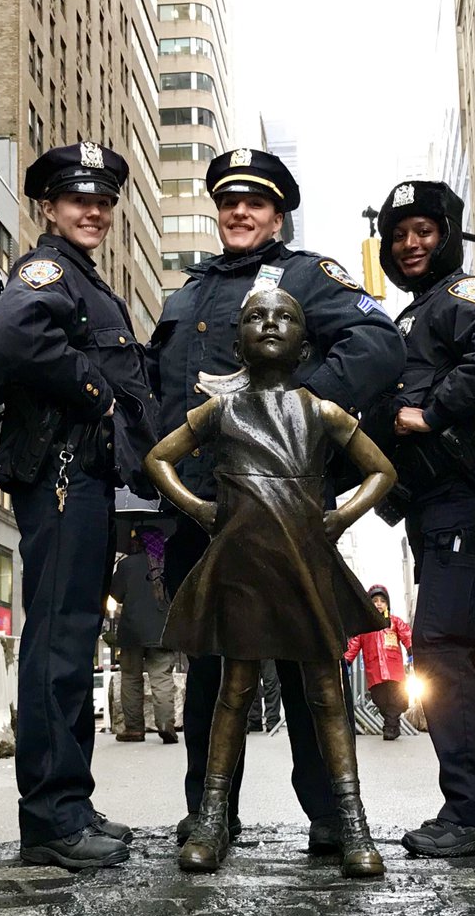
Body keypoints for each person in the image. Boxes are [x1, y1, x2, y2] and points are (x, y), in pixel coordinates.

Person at [146, 147, 406, 852]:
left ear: (278, 213)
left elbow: (378, 344)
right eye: (228, 202)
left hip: (287, 510)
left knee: (305, 665)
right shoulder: (189, 294)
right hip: (206, 513)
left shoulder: (302, 276)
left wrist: (301, 411)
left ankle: (329, 817)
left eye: (254, 203)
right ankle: (211, 814)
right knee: (212, 668)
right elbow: (164, 403)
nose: (239, 212)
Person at [0, 141, 160, 870]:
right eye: (76, 199)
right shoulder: (48, 271)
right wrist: (98, 390)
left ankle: (71, 802)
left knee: (73, 639)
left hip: (86, 476)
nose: (92, 210)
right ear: (48, 207)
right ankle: (50, 821)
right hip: (60, 471)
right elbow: (15, 333)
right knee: (57, 643)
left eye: (102, 201)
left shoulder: (92, 284)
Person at [370, 180, 475, 856]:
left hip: (462, 492)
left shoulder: (463, 297)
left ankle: (472, 814)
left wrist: (434, 412)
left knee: (440, 648)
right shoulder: (415, 314)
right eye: (399, 236)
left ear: (447, 233)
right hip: (435, 506)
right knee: (467, 651)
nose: (410, 245)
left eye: (423, 232)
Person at [109, 527, 178, 742]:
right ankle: (166, 724)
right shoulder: (171, 564)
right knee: (162, 679)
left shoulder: (127, 564)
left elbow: (115, 595)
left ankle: (134, 729)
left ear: (137, 542)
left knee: (131, 679)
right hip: (162, 630)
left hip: (132, 632)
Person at [344, 585, 413, 740]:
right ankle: (393, 724)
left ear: (387, 604)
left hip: (394, 670)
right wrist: (346, 661)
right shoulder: (363, 627)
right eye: (375, 601)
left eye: (382, 601)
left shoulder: (395, 622)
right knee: (380, 699)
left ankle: (390, 727)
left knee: (396, 699)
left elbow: (407, 635)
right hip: (375, 672)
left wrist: (411, 651)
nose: (379, 604)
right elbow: (354, 644)